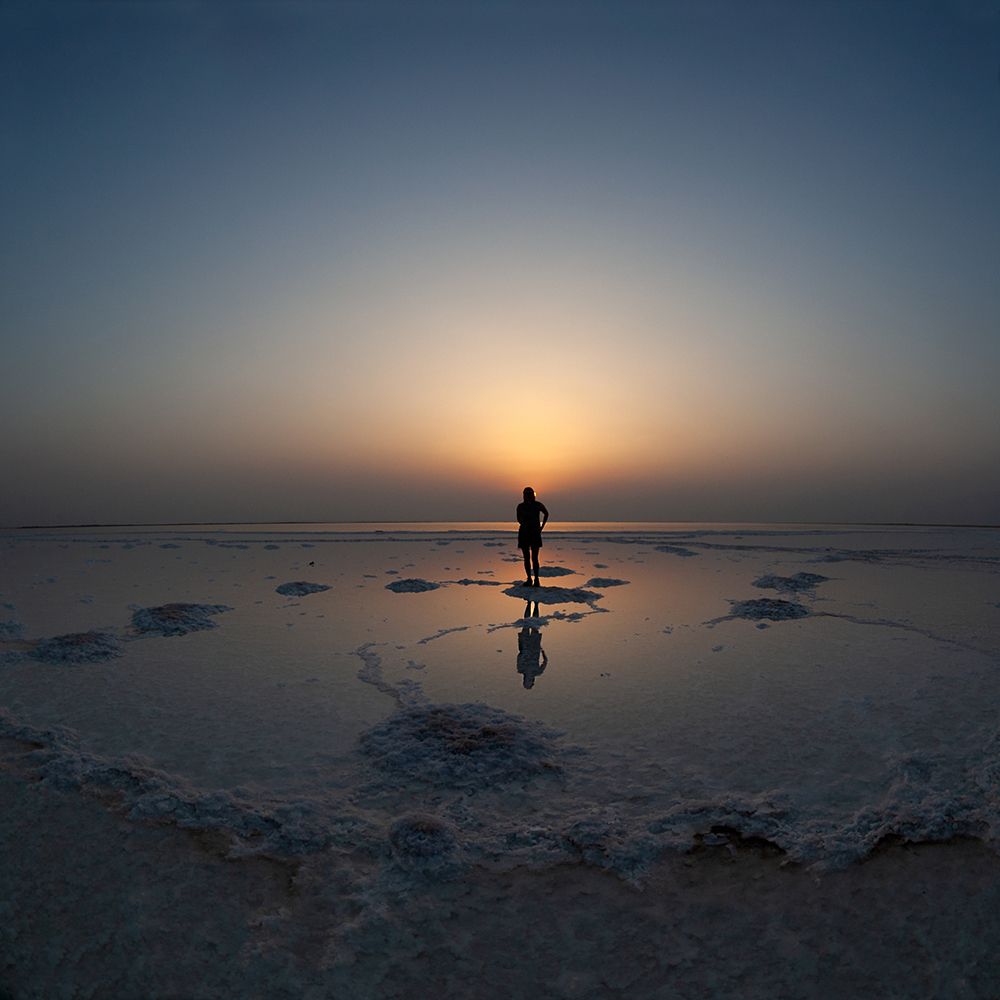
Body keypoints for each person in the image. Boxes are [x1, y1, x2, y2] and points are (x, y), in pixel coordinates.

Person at [516, 486, 548, 587]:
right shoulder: (521, 506)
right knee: (528, 558)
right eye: (527, 494)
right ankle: (530, 579)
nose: (528, 496)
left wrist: (541, 527)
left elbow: (546, 513)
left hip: (533, 533)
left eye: (530, 494)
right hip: (526, 533)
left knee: (533, 558)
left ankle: (535, 579)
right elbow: (519, 519)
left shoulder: (537, 505)